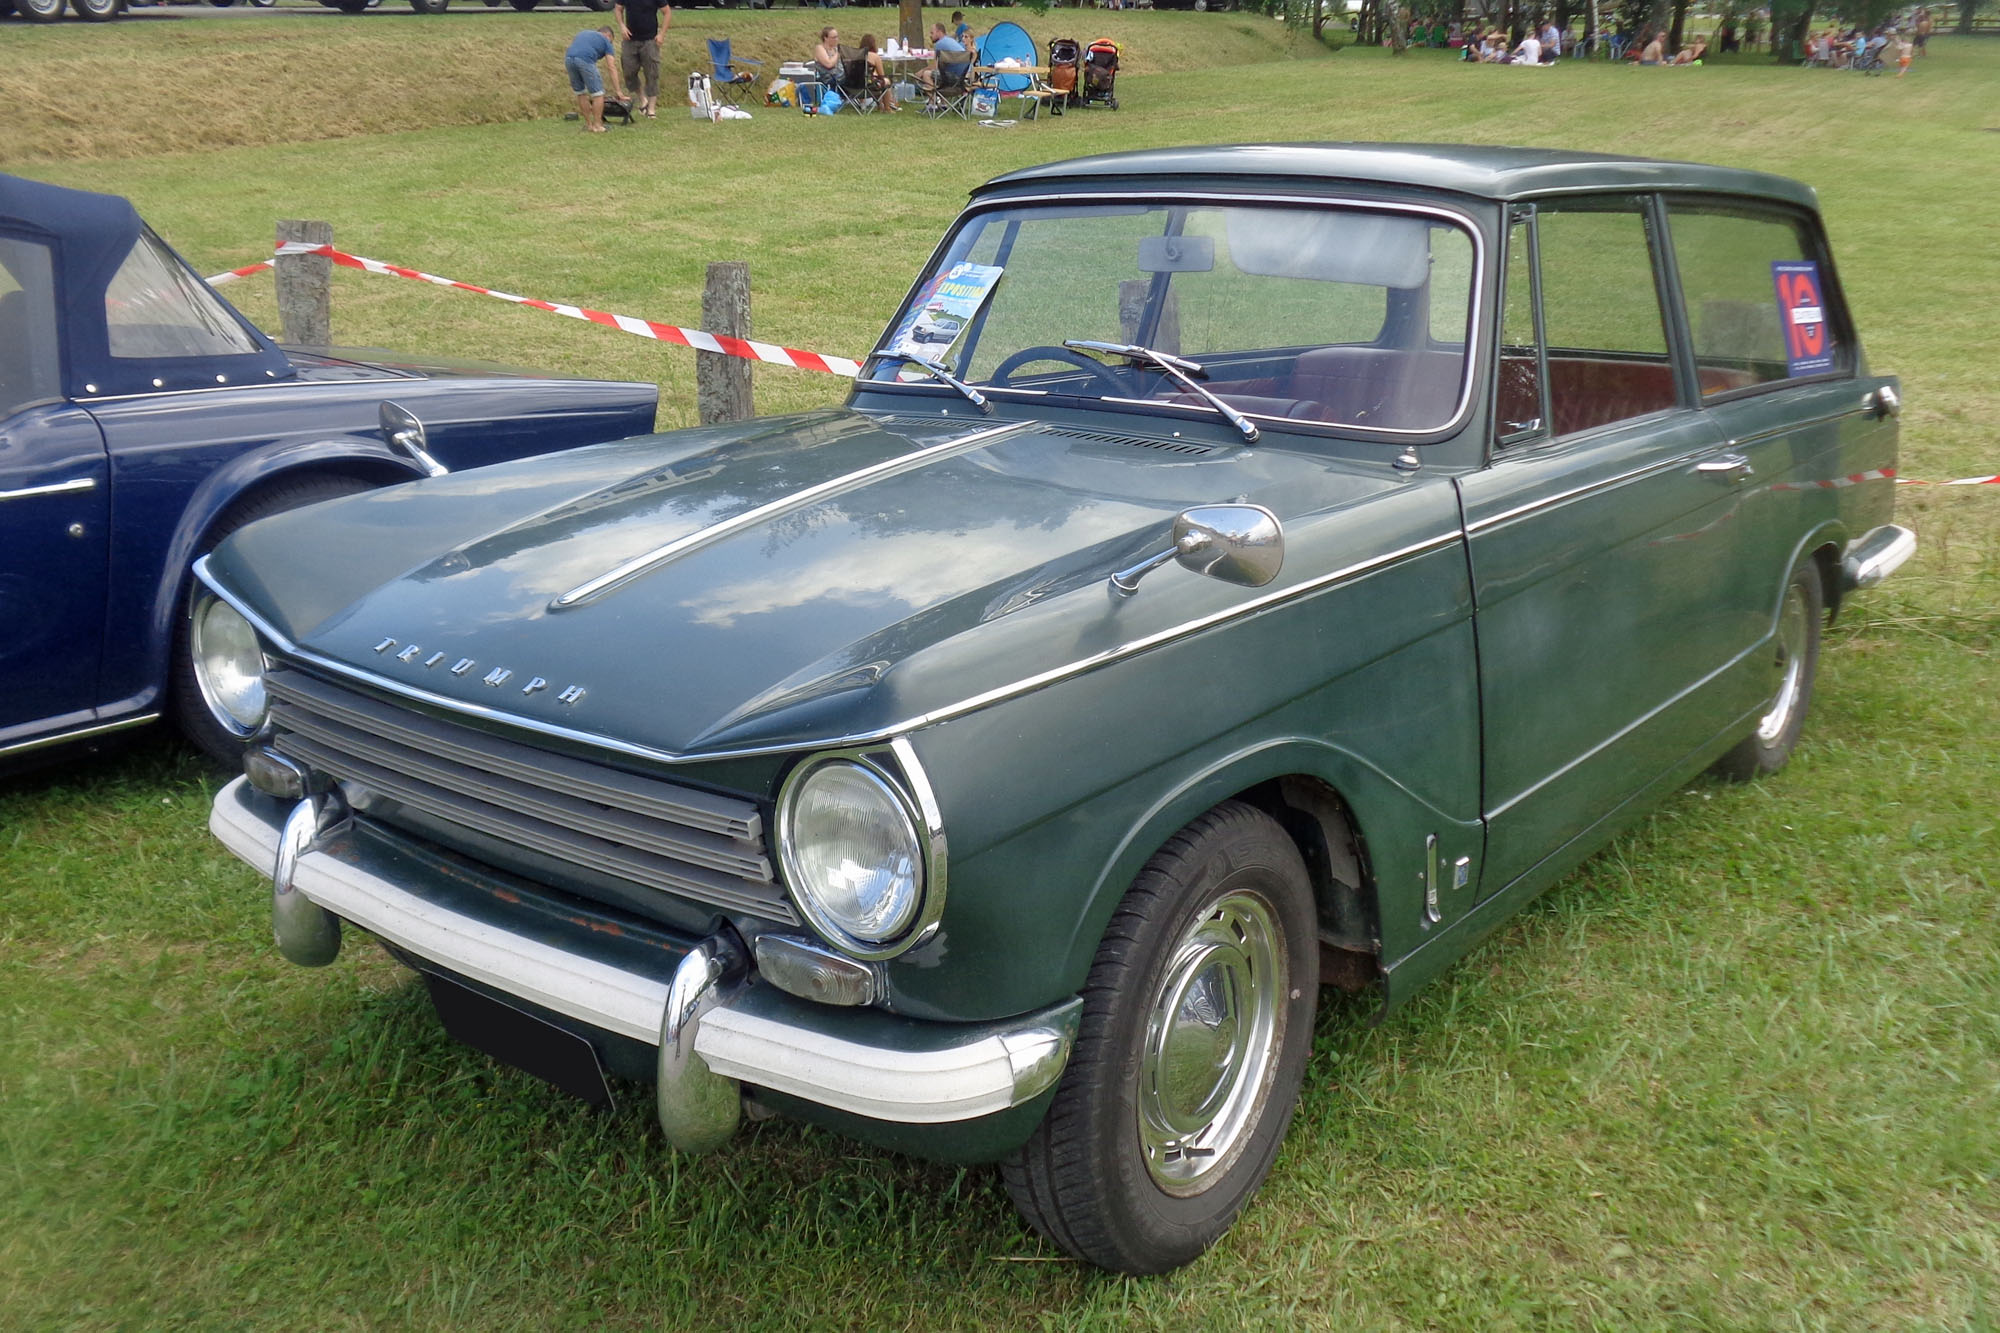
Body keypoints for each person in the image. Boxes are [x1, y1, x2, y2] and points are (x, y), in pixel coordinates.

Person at [613, 0, 669, 119]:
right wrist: (622, 26)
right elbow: (618, 9)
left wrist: (662, 34)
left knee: (652, 74)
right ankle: (643, 99)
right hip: (630, 40)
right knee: (629, 72)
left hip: (650, 40)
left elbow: (667, 12)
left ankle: (651, 109)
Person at [565, 25, 626, 133]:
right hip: (585, 60)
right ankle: (598, 125)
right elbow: (611, 67)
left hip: (569, 59)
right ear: (608, 35)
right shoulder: (606, 41)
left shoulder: (583, 33)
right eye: (611, 41)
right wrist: (619, 92)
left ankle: (589, 125)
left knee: (580, 92)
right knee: (598, 94)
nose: (610, 43)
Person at [918, 21, 971, 96]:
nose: (930, 36)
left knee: (926, 74)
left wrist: (922, 71)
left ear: (939, 32)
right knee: (941, 74)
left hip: (955, 78)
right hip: (965, 77)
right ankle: (943, 104)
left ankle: (933, 103)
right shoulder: (951, 41)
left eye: (932, 33)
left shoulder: (940, 44)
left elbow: (935, 66)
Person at [860, 33, 901, 111]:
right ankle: (887, 107)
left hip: (854, 85)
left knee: (875, 81)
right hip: (869, 84)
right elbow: (881, 75)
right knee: (885, 81)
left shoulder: (856, 54)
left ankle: (866, 104)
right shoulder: (875, 56)